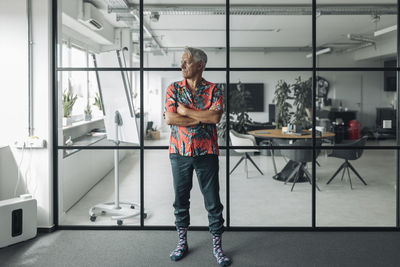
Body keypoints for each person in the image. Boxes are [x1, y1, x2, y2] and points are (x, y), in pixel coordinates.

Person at [164, 47, 232, 267]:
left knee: (213, 202)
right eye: (182, 62)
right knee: (180, 201)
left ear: (200, 65)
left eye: (186, 62)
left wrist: (186, 112)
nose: (182, 65)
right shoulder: (173, 88)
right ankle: (182, 242)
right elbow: (170, 119)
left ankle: (217, 246)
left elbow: (215, 116)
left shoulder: (214, 90)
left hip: (207, 154)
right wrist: (198, 119)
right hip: (179, 153)